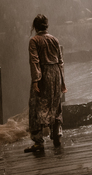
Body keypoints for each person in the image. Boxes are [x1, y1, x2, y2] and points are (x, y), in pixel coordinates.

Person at [25, 14, 67, 153]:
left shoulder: (34, 40)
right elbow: (60, 61)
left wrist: (36, 80)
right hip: (55, 73)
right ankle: (57, 135)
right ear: (46, 26)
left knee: (36, 105)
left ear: (35, 27)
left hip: (43, 74)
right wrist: (62, 81)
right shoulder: (54, 39)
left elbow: (35, 61)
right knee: (55, 103)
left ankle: (38, 141)